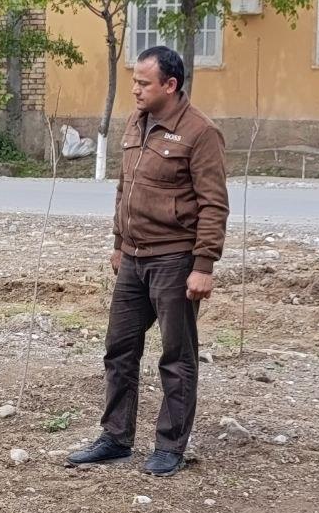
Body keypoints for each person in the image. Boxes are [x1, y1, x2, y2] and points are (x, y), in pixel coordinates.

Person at [68, 45, 228, 477]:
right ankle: (115, 438)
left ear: (170, 85)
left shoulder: (200, 132)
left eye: (143, 83)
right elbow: (126, 186)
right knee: (119, 349)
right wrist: (119, 242)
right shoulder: (136, 122)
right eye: (134, 81)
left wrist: (204, 265)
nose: (135, 90)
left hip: (174, 260)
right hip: (133, 259)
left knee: (176, 356)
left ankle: (170, 447)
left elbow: (214, 204)